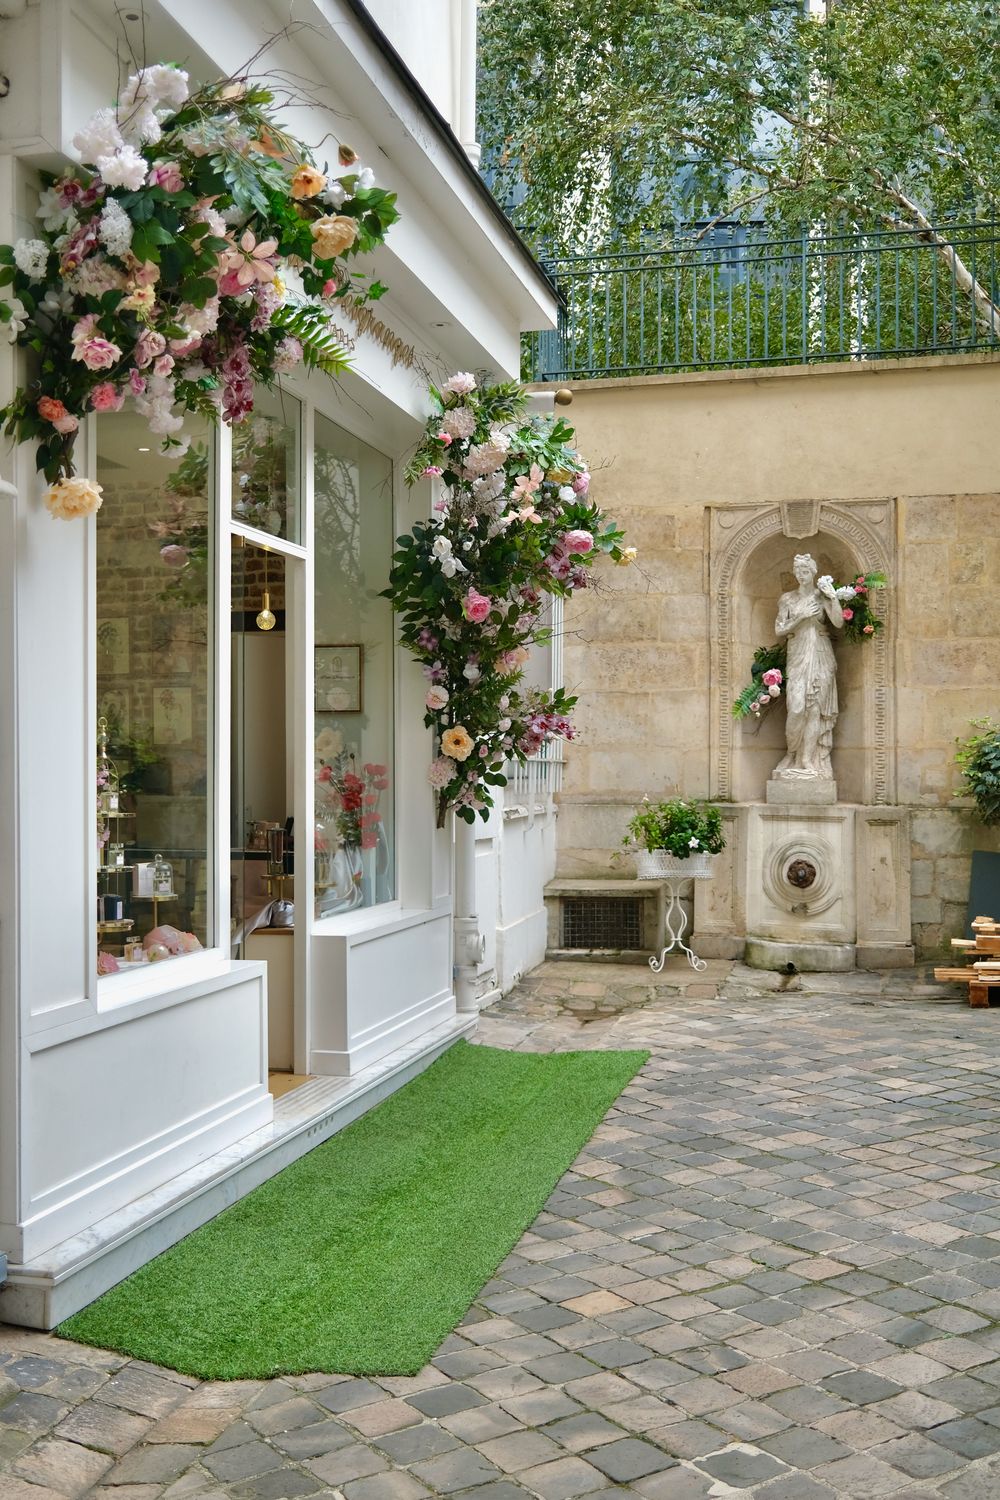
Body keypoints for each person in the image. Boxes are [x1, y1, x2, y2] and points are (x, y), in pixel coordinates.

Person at [772, 553, 843, 780]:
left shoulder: (821, 596)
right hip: (798, 653)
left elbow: (838, 622)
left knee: (814, 711)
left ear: (813, 572)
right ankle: (791, 753)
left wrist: (833, 598)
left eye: (805, 571)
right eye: (798, 572)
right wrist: (800, 617)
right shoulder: (788, 599)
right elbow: (780, 630)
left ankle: (807, 760)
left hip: (821, 654)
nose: (801, 576)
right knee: (796, 707)